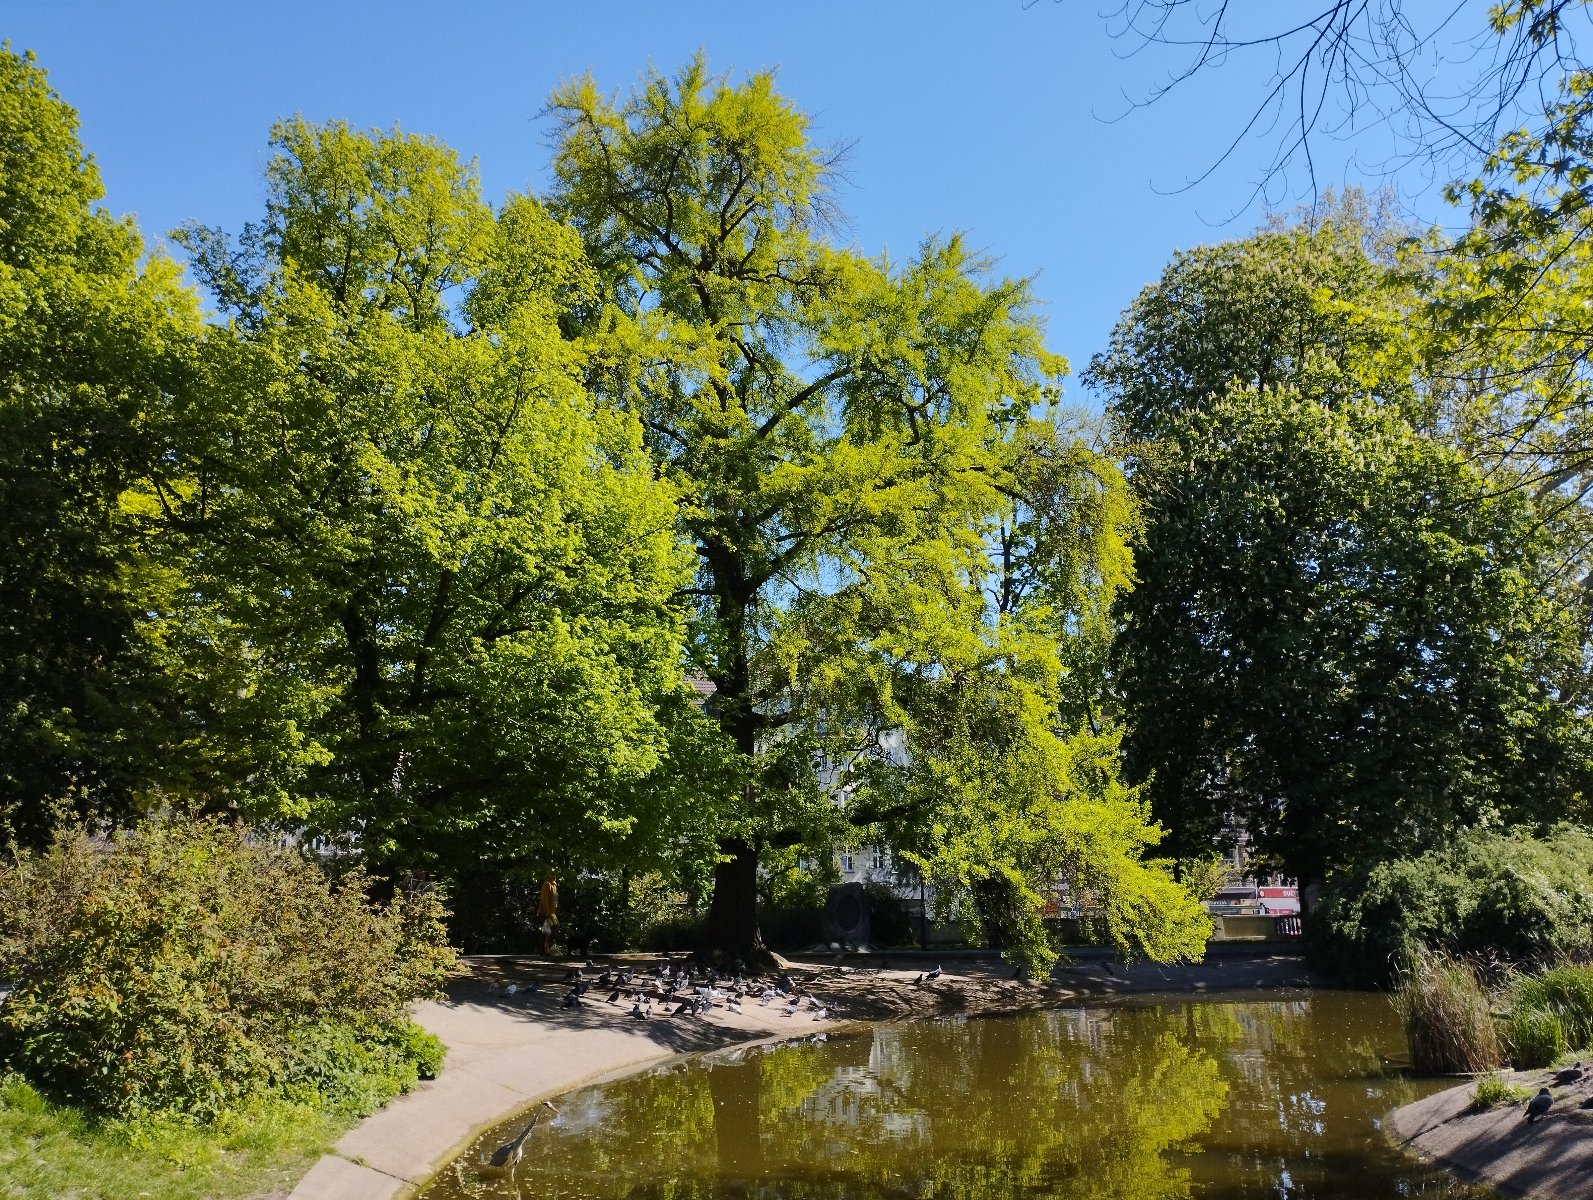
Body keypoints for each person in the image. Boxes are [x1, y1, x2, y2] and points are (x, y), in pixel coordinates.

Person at [537, 874, 559, 956]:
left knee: (552, 929)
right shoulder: (547, 884)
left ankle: (547, 949)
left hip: (552, 913)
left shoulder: (554, 885)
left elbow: (554, 901)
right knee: (548, 931)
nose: (555, 876)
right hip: (545, 912)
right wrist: (547, 913)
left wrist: (555, 911)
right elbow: (544, 900)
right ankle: (545, 950)